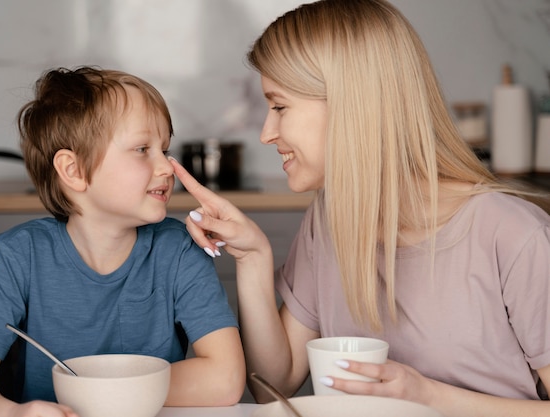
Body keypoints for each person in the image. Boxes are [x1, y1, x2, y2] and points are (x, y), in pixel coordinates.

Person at [168, 1, 550, 416]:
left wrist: (428, 396)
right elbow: (273, 385)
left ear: (351, 104)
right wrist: (254, 258)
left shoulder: (513, 235)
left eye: (279, 106)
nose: (266, 133)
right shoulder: (329, 219)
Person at [0, 66, 245, 417]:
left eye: (165, 149)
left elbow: (225, 379)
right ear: (73, 170)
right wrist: (12, 414)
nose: (167, 167)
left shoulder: (178, 249)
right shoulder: (20, 253)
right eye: (143, 148)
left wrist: (96, 389)